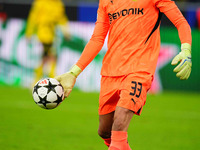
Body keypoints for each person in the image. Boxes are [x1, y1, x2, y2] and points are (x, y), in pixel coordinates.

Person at [55, 0, 192, 149]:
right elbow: (97, 39)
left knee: (120, 123)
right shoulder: (105, 2)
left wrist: (186, 49)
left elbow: (180, 22)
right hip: (111, 72)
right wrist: (73, 72)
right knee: (105, 131)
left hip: (139, 69)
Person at [25, 0, 70, 84]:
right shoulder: (40, 2)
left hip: (52, 34)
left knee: (46, 57)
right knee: (51, 57)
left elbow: (61, 18)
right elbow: (33, 17)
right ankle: (53, 80)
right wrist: (29, 32)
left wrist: (65, 30)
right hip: (43, 33)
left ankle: (37, 80)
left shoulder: (58, 4)